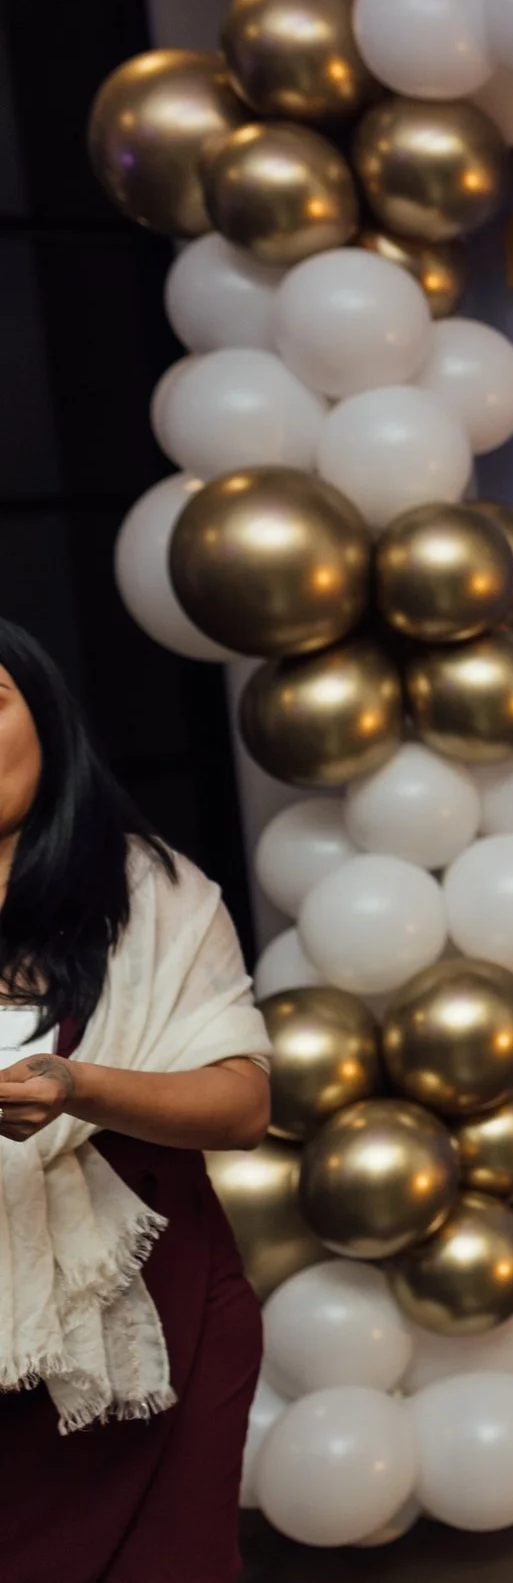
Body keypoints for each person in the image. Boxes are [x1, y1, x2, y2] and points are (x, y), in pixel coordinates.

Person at [0, 619, 273, 1583]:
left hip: (158, 1328)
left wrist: (76, 1088)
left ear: (45, 719)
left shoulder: (150, 893)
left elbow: (241, 1108)